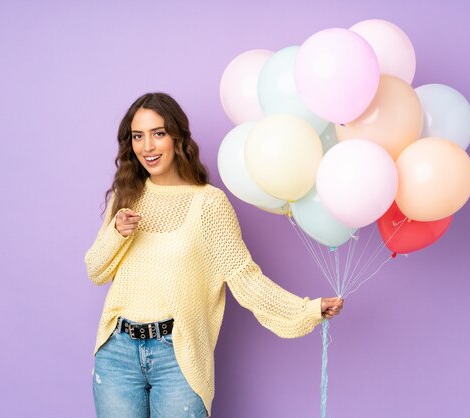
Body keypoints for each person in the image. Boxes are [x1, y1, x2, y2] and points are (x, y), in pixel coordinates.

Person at [84, 92, 344, 418]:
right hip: (117, 352)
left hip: (178, 354)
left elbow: (244, 279)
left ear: (178, 138)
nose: (147, 146)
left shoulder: (209, 204)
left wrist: (306, 309)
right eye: (138, 136)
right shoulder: (127, 196)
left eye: (158, 133)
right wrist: (117, 233)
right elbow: (96, 270)